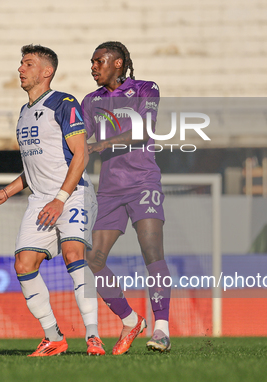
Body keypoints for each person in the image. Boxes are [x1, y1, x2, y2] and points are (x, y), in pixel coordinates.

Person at [0, 44, 103, 357]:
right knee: (23, 263)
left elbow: (81, 154)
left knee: (74, 254)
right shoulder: (23, 113)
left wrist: (60, 199)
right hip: (41, 199)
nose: (20, 69)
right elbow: (35, 167)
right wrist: (5, 192)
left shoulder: (63, 102)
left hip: (72, 195)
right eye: (21, 64)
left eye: (28, 64)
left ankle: (93, 336)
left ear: (46, 71)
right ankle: (53, 337)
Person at [81, 41, 172, 354]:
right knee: (91, 258)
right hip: (109, 189)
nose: (93, 67)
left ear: (117, 63)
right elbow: (79, 140)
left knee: (151, 251)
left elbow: (144, 131)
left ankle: (162, 329)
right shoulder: (91, 100)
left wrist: (101, 145)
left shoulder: (146, 88)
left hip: (143, 182)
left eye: (99, 61)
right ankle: (131, 318)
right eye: (91, 62)